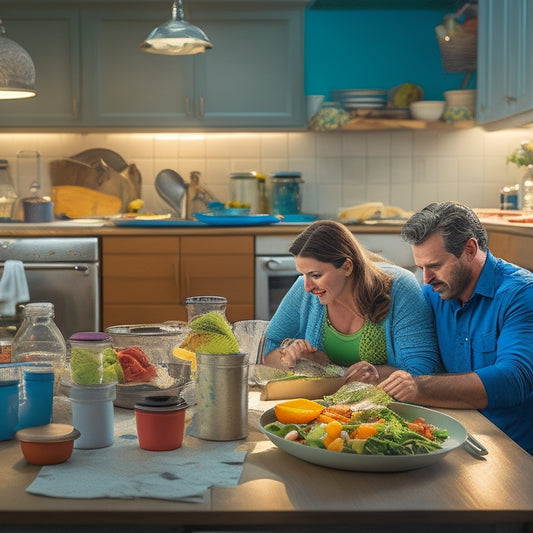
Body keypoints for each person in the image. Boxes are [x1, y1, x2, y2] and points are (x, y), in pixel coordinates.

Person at [379, 201, 533, 454]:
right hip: (450, 437)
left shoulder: (521, 295)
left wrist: (420, 388)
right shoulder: (432, 291)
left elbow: (514, 379)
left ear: (470, 249)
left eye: (435, 266)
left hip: (513, 449)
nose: (426, 279)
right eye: (421, 268)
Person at [262, 220, 442, 382]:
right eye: (303, 274)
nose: (307, 286)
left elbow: (421, 373)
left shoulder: (400, 287)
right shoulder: (305, 289)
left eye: (316, 275)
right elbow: (266, 352)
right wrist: (289, 354)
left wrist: (328, 369)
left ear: (347, 267)